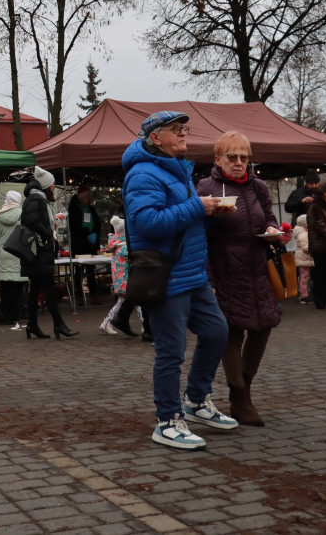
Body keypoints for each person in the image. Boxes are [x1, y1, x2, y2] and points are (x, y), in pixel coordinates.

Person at [122, 110, 237, 451]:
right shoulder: (143, 173)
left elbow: (183, 222)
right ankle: (167, 421)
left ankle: (196, 401)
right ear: (155, 138)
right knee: (171, 352)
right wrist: (198, 207)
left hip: (193, 274)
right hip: (167, 276)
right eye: (175, 129)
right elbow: (147, 223)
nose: (183, 133)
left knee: (217, 332)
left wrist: (211, 214)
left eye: (183, 128)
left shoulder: (176, 170)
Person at [196, 131, 281, 427]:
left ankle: (243, 387)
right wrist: (208, 277)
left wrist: (271, 230)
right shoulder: (207, 187)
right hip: (224, 268)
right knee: (231, 331)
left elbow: (268, 217)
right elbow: (199, 233)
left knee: (263, 326)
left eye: (244, 157)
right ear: (217, 159)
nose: (239, 162)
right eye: (232, 157)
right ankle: (240, 398)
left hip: (257, 267)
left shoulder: (258, 186)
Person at [21, 166, 78, 340]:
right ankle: (58, 324)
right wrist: (48, 233)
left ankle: (32, 324)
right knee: (48, 289)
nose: (53, 187)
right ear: (46, 185)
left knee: (36, 289)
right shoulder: (36, 199)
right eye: (52, 184)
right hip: (40, 250)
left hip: (39, 251)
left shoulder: (37, 199)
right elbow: (30, 221)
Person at [98, 215, 142, 337]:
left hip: (121, 280)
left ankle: (144, 324)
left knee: (132, 301)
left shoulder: (116, 245)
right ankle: (107, 322)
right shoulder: (124, 247)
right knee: (126, 301)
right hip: (125, 280)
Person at [0, 191, 28, 325]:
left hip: (4, 254)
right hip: (19, 254)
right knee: (18, 287)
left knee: (5, 287)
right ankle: (17, 314)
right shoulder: (23, 215)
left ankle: (7, 315)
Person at [67, 184, 103, 303]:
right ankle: (79, 294)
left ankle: (93, 293)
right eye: (86, 195)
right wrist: (86, 233)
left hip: (91, 245)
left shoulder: (91, 209)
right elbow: (74, 227)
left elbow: (97, 223)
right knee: (79, 270)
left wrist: (95, 233)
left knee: (91, 270)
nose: (88, 198)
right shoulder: (74, 209)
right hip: (79, 244)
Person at [293, 215, 315, 304]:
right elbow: (306, 247)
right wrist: (315, 247)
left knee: (304, 277)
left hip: (303, 259)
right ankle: (305, 296)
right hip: (304, 259)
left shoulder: (301, 233)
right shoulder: (303, 234)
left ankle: (304, 295)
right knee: (305, 278)